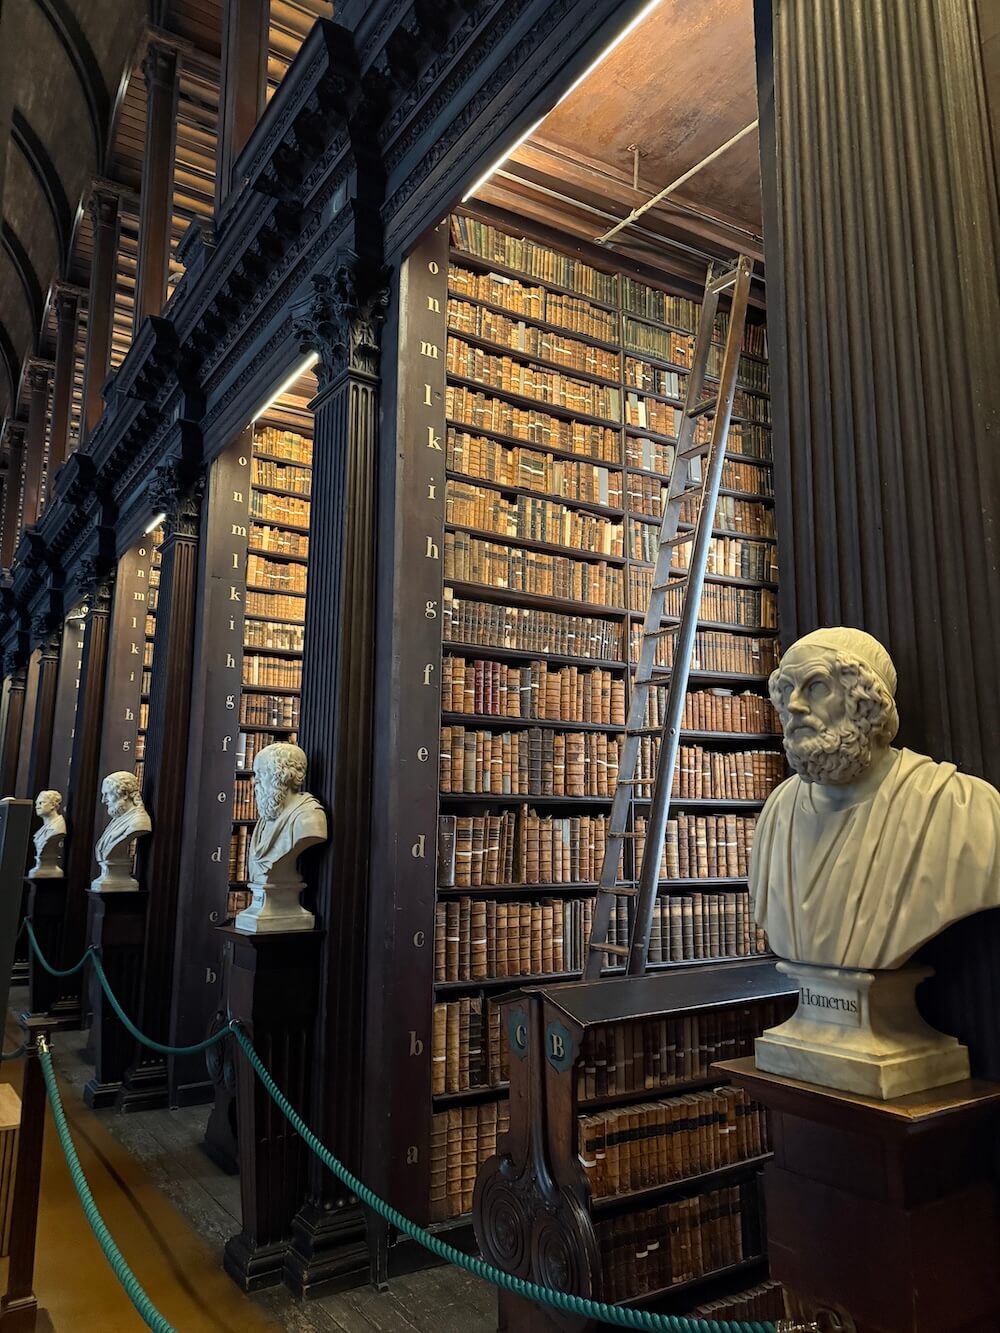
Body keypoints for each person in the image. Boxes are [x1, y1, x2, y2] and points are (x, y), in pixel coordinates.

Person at [750, 627, 1000, 970]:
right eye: (787, 690)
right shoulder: (778, 811)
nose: (794, 706)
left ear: (865, 700)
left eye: (817, 686)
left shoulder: (963, 808)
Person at [235, 742, 326, 932]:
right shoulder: (265, 821)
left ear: (284, 775)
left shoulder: (308, 818)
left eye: (261, 773)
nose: (254, 781)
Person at [91, 770, 152, 892]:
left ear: (124, 794)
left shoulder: (138, 822)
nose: (103, 800)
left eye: (107, 794)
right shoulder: (117, 820)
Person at [28, 789, 66, 878]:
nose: (37, 807)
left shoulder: (58, 827)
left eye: (41, 803)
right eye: (37, 804)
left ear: (53, 805)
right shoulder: (43, 829)